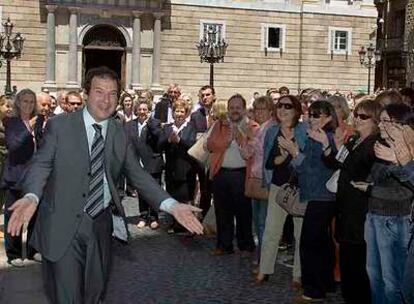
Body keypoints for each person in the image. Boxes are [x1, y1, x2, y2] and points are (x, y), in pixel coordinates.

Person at [7, 67, 203, 304]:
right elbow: (41, 165)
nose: (106, 99)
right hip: (61, 227)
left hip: (100, 227)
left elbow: (138, 175)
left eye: (112, 93)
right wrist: (31, 197)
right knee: (67, 298)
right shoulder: (60, 126)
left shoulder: (119, 132)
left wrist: (172, 206)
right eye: (99, 92)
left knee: (94, 296)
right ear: (86, 94)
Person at [353, 102, 414, 304]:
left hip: (394, 219)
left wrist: (371, 189)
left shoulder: (407, 152)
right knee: (373, 274)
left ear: (400, 125)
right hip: (374, 214)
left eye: (385, 121)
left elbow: (404, 193)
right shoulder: (383, 146)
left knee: (392, 281)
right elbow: (375, 175)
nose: (379, 125)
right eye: (380, 121)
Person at [326, 99, 382, 303]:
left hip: (360, 210)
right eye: (356, 114)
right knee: (347, 259)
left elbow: (364, 170)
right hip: (344, 207)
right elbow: (335, 162)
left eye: (363, 116)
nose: (357, 119)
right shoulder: (353, 140)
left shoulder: (375, 144)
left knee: (358, 264)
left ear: (375, 121)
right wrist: (332, 145)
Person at [283, 100, 338, 302]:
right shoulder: (314, 136)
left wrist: (295, 153)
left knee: (309, 243)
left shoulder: (325, 137)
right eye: (310, 114)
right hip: (319, 195)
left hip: (321, 196)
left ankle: (313, 291)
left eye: (316, 115)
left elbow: (310, 169)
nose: (310, 118)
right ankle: (326, 284)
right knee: (321, 242)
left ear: (329, 117)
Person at [256, 95, 306, 288]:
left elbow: (306, 161)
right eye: (280, 106)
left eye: (288, 106)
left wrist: (292, 152)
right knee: (271, 230)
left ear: (296, 110)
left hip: (300, 188)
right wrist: (282, 157)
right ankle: (264, 269)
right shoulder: (272, 131)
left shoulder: (305, 130)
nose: (283, 110)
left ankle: (298, 275)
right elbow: (269, 162)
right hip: (278, 186)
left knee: (300, 234)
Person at [206, 94, 257, 255]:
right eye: (232, 108)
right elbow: (210, 145)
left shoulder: (252, 126)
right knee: (222, 211)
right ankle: (224, 245)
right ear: (228, 109)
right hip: (221, 173)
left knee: (244, 212)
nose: (235, 111)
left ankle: (245, 245)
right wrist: (227, 141)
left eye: (238, 108)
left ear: (244, 109)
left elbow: (253, 149)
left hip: (242, 174)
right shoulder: (219, 125)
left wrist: (240, 136)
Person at [2, 89, 42, 267]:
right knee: (14, 215)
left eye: (32, 102)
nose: (28, 105)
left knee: (35, 214)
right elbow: (14, 145)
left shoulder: (40, 120)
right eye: (25, 101)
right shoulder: (11, 122)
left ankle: (34, 250)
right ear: (18, 103)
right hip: (16, 177)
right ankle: (14, 253)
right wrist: (29, 129)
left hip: (34, 177)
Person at [158, 99, 197, 232]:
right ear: (173, 113)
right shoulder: (168, 127)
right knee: (173, 197)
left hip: (185, 169)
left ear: (186, 113)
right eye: (176, 111)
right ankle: (175, 223)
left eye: (182, 111)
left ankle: (186, 224)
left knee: (185, 197)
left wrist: (179, 141)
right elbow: (159, 146)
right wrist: (168, 140)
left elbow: (192, 145)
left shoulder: (190, 127)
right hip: (171, 169)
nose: (179, 113)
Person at [125, 101, 164, 230]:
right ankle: (143, 216)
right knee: (141, 192)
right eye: (140, 109)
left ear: (148, 111)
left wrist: (150, 122)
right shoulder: (130, 125)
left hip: (152, 163)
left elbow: (159, 137)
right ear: (136, 111)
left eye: (145, 109)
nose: (142, 112)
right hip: (138, 164)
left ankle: (154, 217)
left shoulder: (154, 123)